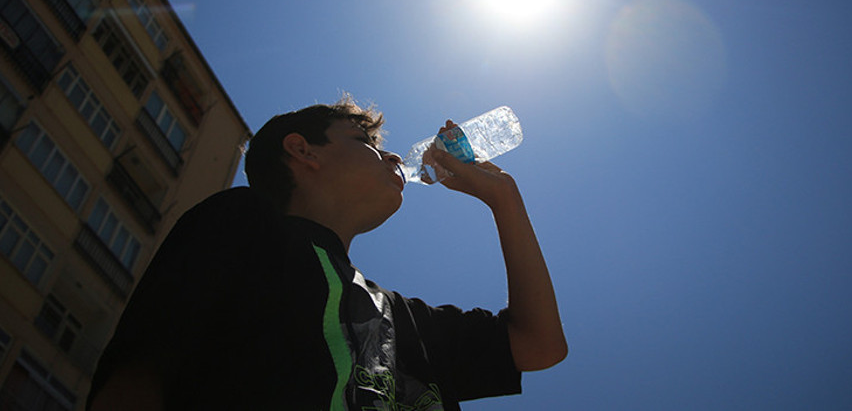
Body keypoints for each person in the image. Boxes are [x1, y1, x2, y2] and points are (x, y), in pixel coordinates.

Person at [87, 95, 566, 410]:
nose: (394, 156)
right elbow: (139, 377)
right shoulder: (245, 224)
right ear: (303, 151)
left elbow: (539, 344)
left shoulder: (402, 321)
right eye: (366, 143)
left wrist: (504, 198)